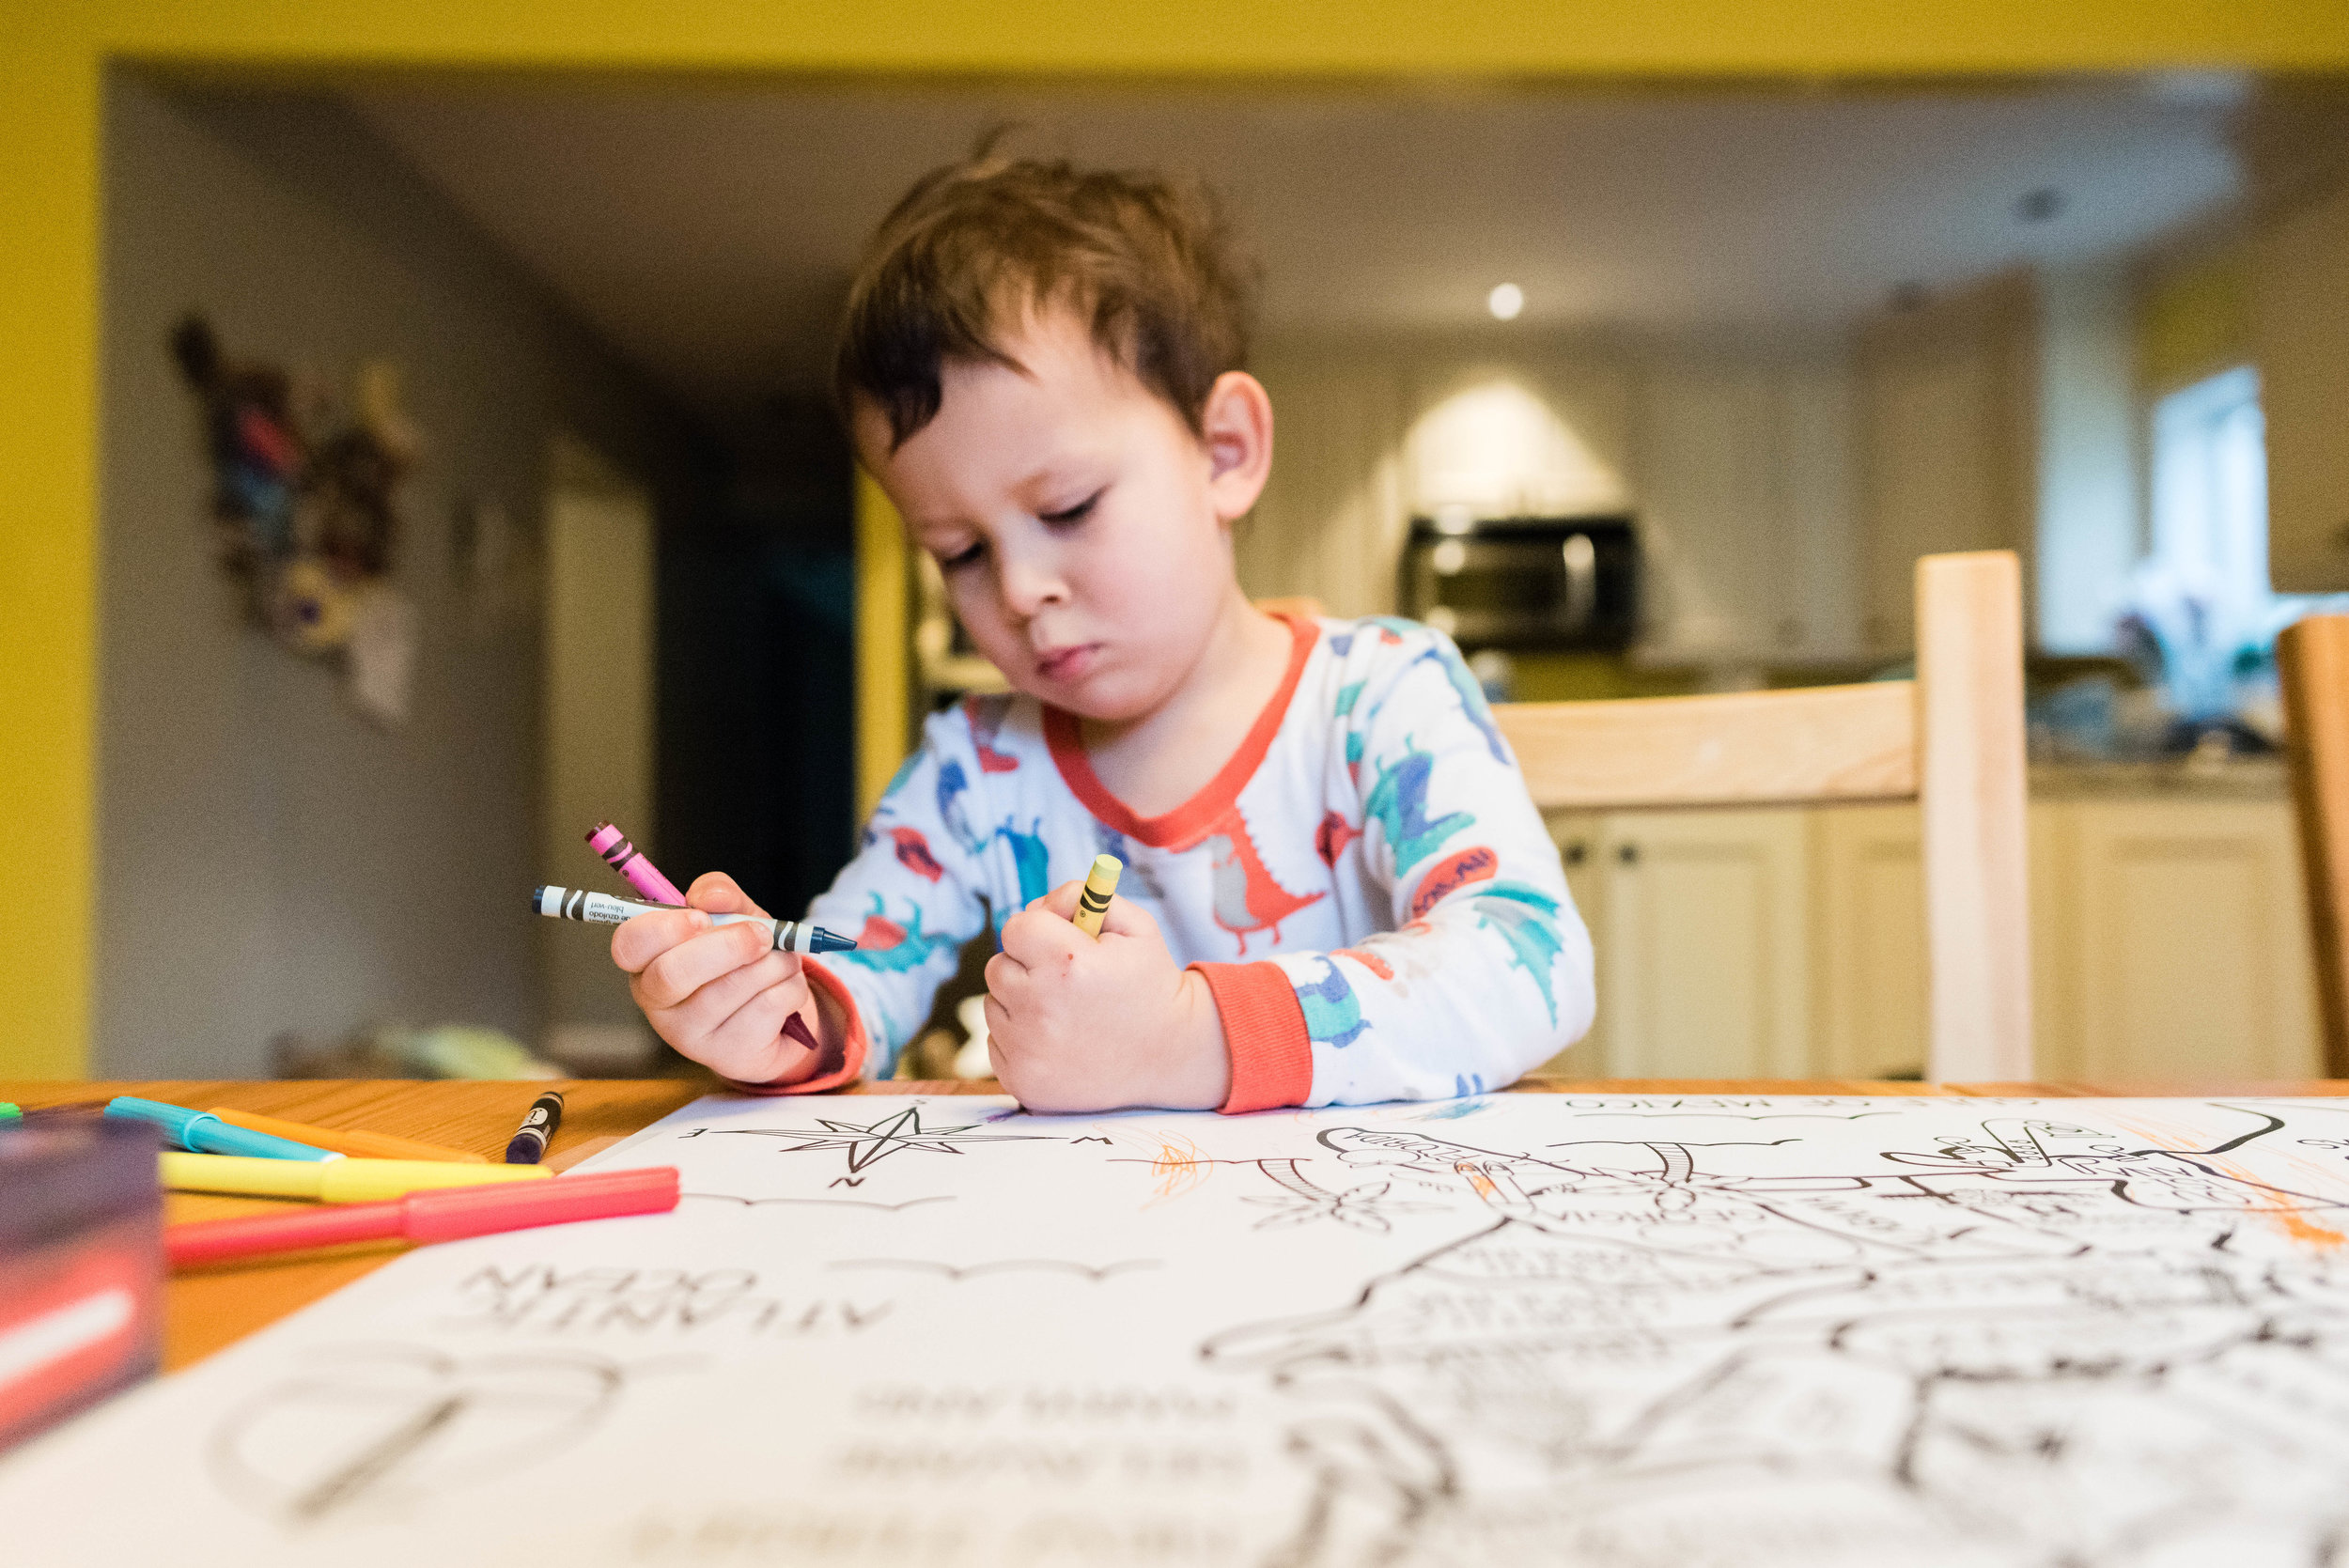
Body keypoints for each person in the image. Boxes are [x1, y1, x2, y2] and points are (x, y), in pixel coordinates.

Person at [610, 149, 1593, 1113]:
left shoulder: (1383, 696)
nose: (1022, 588)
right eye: (960, 551)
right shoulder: (972, 770)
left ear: (1224, 452)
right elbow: (858, 970)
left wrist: (1185, 1036)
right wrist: (774, 1014)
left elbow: (1529, 963)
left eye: (1069, 507)